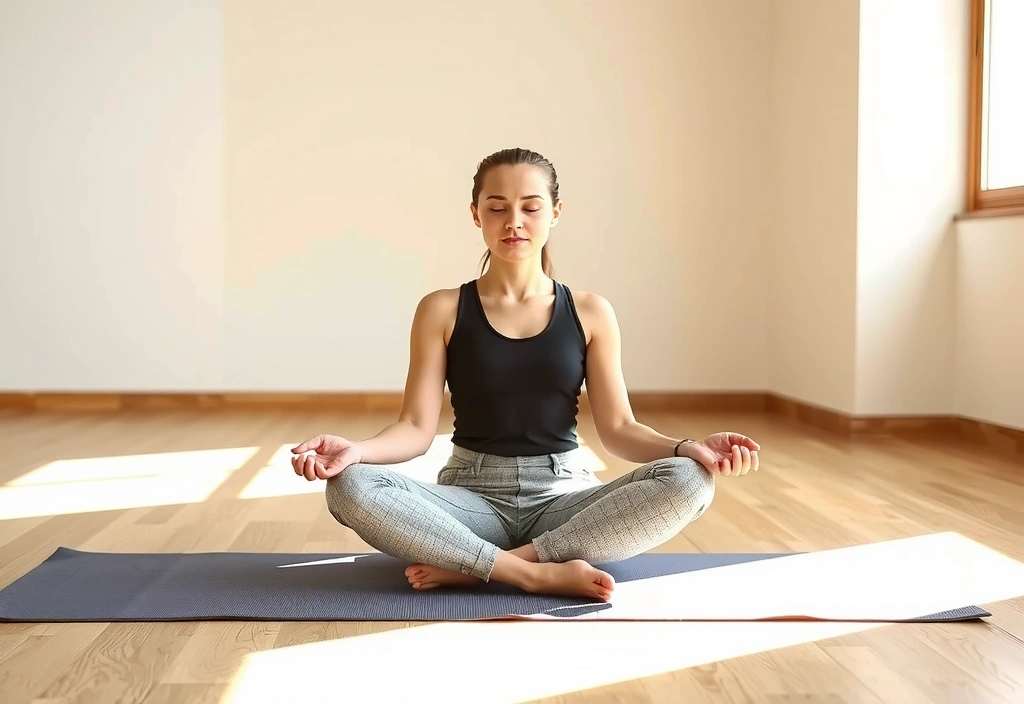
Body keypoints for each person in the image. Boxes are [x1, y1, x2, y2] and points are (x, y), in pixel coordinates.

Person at [290, 147, 760, 602]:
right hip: (471, 500)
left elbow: (619, 430)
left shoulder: (592, 312)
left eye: (531, 207)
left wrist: (686, 448)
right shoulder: (441, 309)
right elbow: (415, 429)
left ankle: (483, 567)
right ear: (476, 214)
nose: (514, 222)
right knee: (349, 485)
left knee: (690, 479)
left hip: (563, 502)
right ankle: (531, 574)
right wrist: (357, 451)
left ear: (555, 212)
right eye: (497, 208)